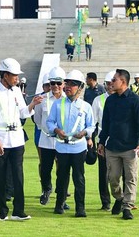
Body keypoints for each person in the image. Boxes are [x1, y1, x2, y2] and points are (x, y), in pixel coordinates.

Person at [0, 58, 43, 221]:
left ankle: (19, 210)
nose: (17, 78)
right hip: (0, 140)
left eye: (17, 75)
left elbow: (23, 113)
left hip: (17, 139)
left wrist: (32, 104)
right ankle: (2, 211)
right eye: (14, 75)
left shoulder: (17, 90)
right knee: (0, 177)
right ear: (4, 75)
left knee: (18, 176)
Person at [97, 69, 139, 220]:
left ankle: (127, 206)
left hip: (130, 147)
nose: (111, 83)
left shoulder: (135, 100)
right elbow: (105, 123)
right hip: (112, 147)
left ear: (123, 82)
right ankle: (119, 198)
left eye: (114, 80)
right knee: (112, 179)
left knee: (131, 178)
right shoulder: (110, 100)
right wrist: (101, 142)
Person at [47, 70, 94, 217]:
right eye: (67, 83)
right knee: (61, 178)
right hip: (61, 147)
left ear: (80, 87)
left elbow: (92, 125)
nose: (68, 87)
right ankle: (59, 205)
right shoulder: (57, 104)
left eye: (72, 84)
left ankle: (80, 208)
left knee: (79, 179)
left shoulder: (86, 106)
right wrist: (56, 129)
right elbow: (49, 121)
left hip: (78, 148)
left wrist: (85, 133)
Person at [33, 68, 64, 207]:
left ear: (63, 83)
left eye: (58, 83)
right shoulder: (43, 99)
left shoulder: (67, 99)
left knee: (62, 169)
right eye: (53, 83)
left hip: (62, 140)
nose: (55, 86)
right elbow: (37, 119)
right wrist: (46, 130)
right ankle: (46, 189)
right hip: (46, 139)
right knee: (45, 168)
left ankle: (61, 196)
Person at [91, 71, 116, 211]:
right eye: (108, 84)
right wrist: (91, 140)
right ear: (105, 85)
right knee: (103, 173)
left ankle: (123, 200)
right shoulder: (98, 100)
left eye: (112, 84)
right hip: (103, 142)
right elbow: (92, 123)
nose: (110, 87)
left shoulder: (124, 99)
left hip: (120, 143)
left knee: (121, 173)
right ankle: (105, 201)